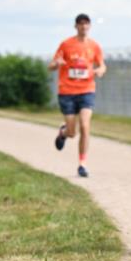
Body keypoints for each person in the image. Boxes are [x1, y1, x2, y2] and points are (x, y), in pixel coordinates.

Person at [50, 13, 106, 178]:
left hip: (87, 90)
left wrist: (100, 70)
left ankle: (82, 164)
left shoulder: (94, 46)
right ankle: (63, 133)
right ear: (76, 26)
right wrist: (57, 64)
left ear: (89, 26)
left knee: (85, 125)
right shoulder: (66, 45)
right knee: (73, 133)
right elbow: (51, 65)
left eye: (86, 24)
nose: (83, 26)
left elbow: (102, 65)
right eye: (80, 24)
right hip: (67, 91)